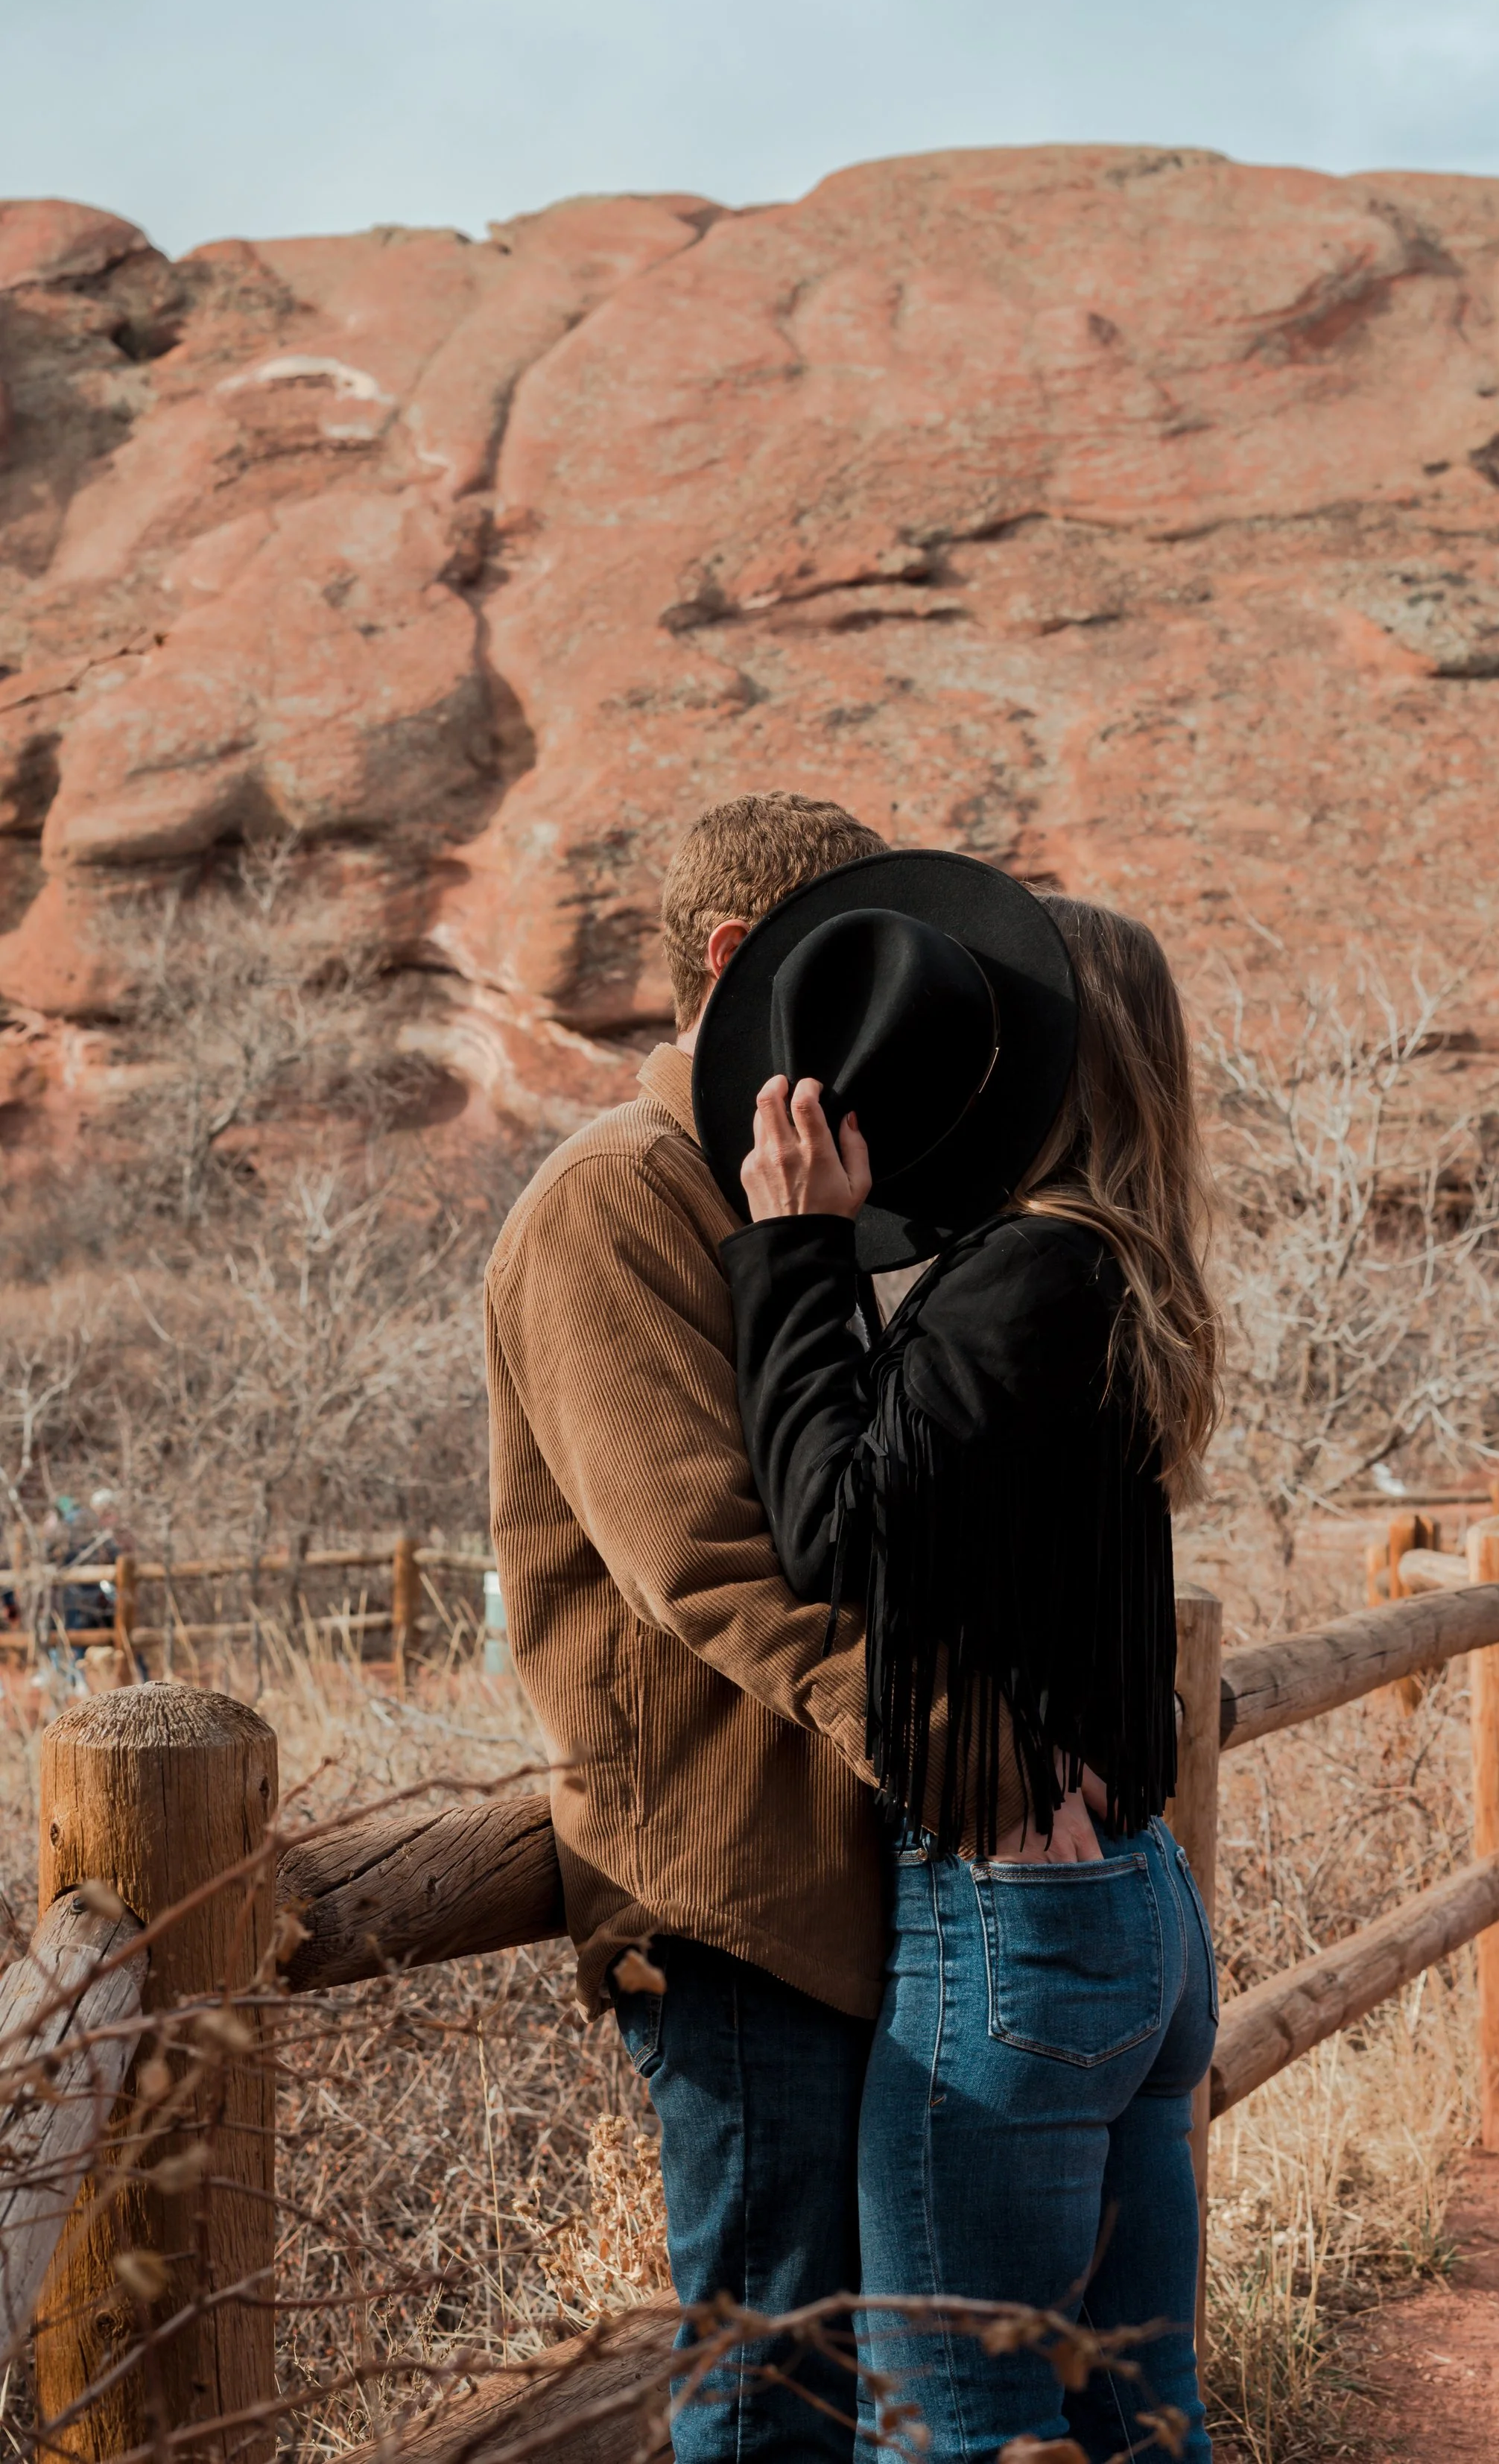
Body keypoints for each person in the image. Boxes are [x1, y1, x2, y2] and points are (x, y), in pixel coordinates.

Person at [697, 867, 1223, 2463]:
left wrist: (793, 1251)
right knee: (1135, 2411)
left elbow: (833, 1530)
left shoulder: (1033, 1274)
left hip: (1015, 1922)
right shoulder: (1109, 1270)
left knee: (954, 2424)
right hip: (1125, 1907)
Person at [484, 791, 894, 2464]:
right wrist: (948, 1738)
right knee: (771, 2387)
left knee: (857, 2364)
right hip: (730, 1895)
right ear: (739, 963)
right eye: (850, 968)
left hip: (846, 1872)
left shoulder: (784, 1189)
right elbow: (702, 1559)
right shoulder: (614, 1200)